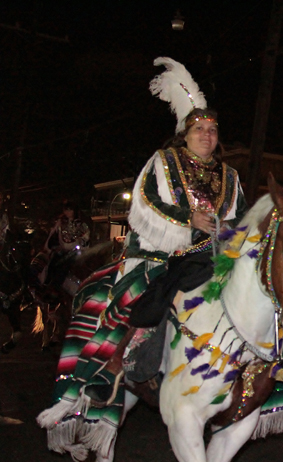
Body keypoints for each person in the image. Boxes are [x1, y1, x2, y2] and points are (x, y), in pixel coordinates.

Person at [40, 57, 246, 416]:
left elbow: (241, 216)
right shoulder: (163, 162)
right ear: (186, 133)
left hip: (212, 255)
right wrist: (188, 219)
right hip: (161, 252)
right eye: (200, 129)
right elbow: (145, 202)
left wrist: (231, 233)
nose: (207, 135)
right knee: (150, 290)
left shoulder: (230, 176)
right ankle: (119, 356)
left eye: (213, 130)